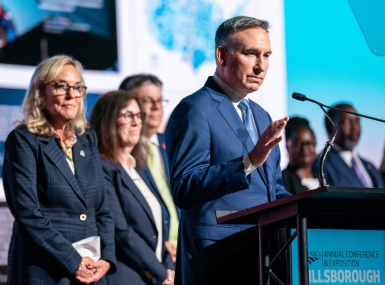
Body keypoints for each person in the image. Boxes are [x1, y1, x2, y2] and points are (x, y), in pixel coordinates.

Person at [165, 16, 291, 285]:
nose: (261, 66)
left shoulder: (260, 114)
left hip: (264, 254)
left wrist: (308, 208)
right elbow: (185, 187)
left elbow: (272, 189)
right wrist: (246, 163)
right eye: (251, 54)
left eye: (267, 55)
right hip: (218, 256)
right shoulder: (195, 109)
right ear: (222, 56)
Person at [2, 55, 116, 284]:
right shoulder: (23, 140)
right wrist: (73, 261)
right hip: (45, 270)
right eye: (61, 86)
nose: (71, 95)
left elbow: (102, 209)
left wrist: (107, 258)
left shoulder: (86, 139)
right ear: (40, 91)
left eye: (77, 87)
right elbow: (28, 214)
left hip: (92, 270)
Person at [89, 91, 175, 285]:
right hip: (126, 277)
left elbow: (157, 230)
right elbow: (121, 232)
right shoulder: (101, 168)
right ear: (107, 121)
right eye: (127, 115)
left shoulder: (137, 168)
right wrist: (160, 274)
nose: (136, 123)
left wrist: (169, 267)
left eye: (138, 116)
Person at [119, 74, 179, 262]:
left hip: (182, 255)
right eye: (148, 100)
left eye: (160, 100)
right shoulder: (120, 154)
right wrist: (162, 246)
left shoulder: (172, 145)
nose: (156, 106)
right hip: (148, 256)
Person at [315, 103, 384, 187]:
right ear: (330, 127)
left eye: (357, 121)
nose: (355, 127)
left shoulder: (370, 166)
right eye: (347, 122)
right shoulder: (321, 165)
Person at [282, 117, 318, 194]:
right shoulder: (281, 181)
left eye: (309, 143)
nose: (304, 149)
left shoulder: (325, 181)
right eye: (298, 144)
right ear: (287, 145)